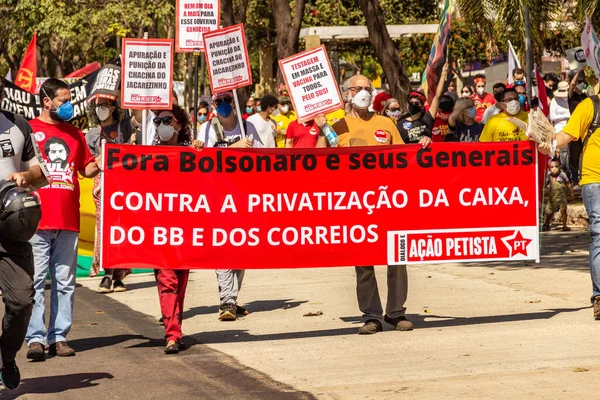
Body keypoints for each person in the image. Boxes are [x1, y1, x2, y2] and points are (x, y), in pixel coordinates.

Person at [318, 74, 431, 334]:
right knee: (364, 262)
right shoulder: (337, 127)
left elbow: (404, 157)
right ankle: (371, 315)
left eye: (367, 88)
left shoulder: (386, 123)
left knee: (397, 259)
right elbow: (320, 159)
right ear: (346, 94)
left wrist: (422, 146)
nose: (363, 93)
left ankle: (395, 313)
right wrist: (321, 127)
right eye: (357, 89)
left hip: (389, 203)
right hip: (356, 204)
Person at [26, 78, 102, 360]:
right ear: (47, 101)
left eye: (70, 99)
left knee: (64, 281)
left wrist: (103, 163)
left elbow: (87, 168)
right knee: (34, 281)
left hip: (68, 221)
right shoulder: (29, 130)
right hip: (35, 220)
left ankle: (59, 336)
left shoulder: (75, 133)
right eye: (63, 100)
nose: (68, 105)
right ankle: (35, 338)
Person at [197, 91, 260, 321]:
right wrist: (235, 147)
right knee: (224, 247)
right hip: (218, 198)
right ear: (213, 105)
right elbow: (204, 159)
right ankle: (227, 300)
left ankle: (232, 297)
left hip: (244, 197)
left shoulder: (248, 128)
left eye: (227, 100)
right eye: (219, 101)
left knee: (241, 250)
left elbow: (262, 158)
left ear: (234, 102)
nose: (224, 104)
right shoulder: (206, 130)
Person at [537, 94, 600, 318]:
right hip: (595, 180)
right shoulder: (591, 105)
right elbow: (567, 134)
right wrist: (550, 144)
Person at [0, 87, 46, 388]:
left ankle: (6, 357)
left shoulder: (19, 124)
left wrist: (25, 178)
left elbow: (41, 173)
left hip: (11, 229)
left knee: (21, 301)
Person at [153, 104, 193, 354]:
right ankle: (172, 334)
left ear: (179, 124)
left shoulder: (192, 153)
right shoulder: (149, 155)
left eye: (166, 120)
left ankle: (176, 328)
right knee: (167, 281)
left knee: (180, 282)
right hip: (159, 228)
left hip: (187, 228)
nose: (161, 126)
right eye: (157, 122)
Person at [85, 96, 134, 293]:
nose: (100, 110)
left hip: (123, 185)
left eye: (104, 106)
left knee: (121, 229)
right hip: (102, 186)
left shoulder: (125, 127)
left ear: (112, 107)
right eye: (97, 106)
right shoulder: (92, 135)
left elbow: (139, 118)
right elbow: (88, 164)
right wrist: (100, 158)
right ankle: (106, 272)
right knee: (104, 229)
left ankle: (119, 276)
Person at [397, 63, 449, 144]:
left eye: (416, 103)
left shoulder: (427, 118)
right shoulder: (400, 124)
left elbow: (437, 96)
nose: (413, 105)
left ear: (422, 106)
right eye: (411, 103)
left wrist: (443, 75)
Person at [568, 67, 589, 186]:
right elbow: (571, 85)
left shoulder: (586, 97)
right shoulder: (572, 96)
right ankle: (575, 178)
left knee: (584, 150)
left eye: (581, 81)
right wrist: (578, 72)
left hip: (586, 128)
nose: (579, 84)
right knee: (574, 153)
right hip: (575, 127)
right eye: (578, 82)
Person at [543, 159, 574, 232]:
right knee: (549, 212)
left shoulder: (562, 174)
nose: (554, 168)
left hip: (561, 197)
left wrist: (572, 192)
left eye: (556, 166)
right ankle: (546, 223)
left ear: (560, 167)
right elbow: (546, 184)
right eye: (552, 167)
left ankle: (564, 225)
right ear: (549, 168)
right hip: (552, 198)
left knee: (563, 211)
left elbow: (568, 183)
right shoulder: (549, 175)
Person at [549, 81, 571, 169]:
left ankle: (572, 172)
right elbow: (552, 117)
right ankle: (565, 169)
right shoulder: (554, 101)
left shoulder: (571, 99)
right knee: (563, 152)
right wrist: (568, 115)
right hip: (559, 130)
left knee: (573, 152)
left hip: (572, 128)